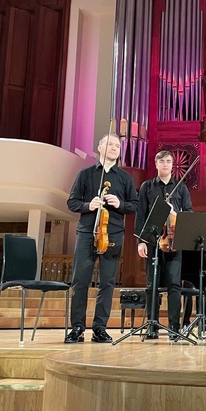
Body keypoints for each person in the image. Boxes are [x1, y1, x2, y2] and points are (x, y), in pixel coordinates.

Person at [65, 134, 139, 344]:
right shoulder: (86, 174)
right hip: (87, 233)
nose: (115, 148)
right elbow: (72, 202)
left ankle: (100, 328)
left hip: (113, 233)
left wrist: (120, 204)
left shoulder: (124, 178)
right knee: (80, 281)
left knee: (107, 283)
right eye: (110, 144)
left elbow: (134, 205)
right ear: (99, 147)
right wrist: (87, 205)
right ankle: (77, 328)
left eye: (118, 146)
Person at [135, 150, 192, 340]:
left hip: (174, 241)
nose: (165, 164)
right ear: (156, 164)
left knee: (174, 284)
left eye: (168, 161)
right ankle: (152, 326)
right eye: (162, 161)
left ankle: (174, 327)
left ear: (173, 165)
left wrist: (176, 214)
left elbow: (189, 212)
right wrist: (141, 241)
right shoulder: (147, 186)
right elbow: (141, 214)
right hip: (153, 241)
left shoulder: (181, 187)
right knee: (151, 284)